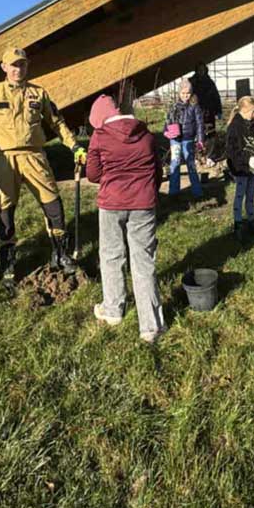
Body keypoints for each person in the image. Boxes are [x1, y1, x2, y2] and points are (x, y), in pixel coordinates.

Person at [0, 47, 86, 293]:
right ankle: (8, 265)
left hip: (34, 156)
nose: (18, 69)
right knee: (6, 212)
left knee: (53, 205)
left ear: (27, 66)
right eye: (13, 65)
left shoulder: (39, 93)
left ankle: (60, 253)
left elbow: (57, 122)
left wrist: (75, 146)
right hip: (5, 159)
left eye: (22, 64)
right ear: (4, 67)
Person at [85, 94, 167, 344]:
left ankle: (113, 310)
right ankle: (150, 327)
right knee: (144, 261)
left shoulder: (99, 136)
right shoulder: (147, 135)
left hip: (111, 204)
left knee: (111, 256)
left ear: (100, 119)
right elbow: (158, 172)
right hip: (143, 204)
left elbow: (93, 174)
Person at [224, 95, 254, 242]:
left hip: (253, 168)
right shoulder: (234, 127)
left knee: (251, 195)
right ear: (245, 110)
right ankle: (238, 223)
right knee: (240, 195)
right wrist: (247, 159)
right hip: (240, 167)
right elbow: (231, 151)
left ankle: (252, 221)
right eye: (253, 112)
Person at [165, 79, 204, 198]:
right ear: (179, 93)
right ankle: (173, 192)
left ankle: (197, 191)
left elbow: (200, 124)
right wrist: (166, 132)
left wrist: (200, 140)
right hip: (175, 139)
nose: (185, 96)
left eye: (188, 93)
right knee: (175, 163)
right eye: (183, 93)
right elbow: (167, 121)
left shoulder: (194, 106)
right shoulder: (174, 106)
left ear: (191, 93)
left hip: (188, 138)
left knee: (190, 163)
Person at [188, 63, 222, 132]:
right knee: (196, 130)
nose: (201, 71)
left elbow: (216, 96)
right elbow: (186, 95)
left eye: (203, 69)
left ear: (205, 70)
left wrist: (219, 110)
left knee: (209, 131)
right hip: (195, 109)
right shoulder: (191, 82)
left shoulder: (210, 82)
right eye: (199, 69)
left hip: (209, 110)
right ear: (196, 71)